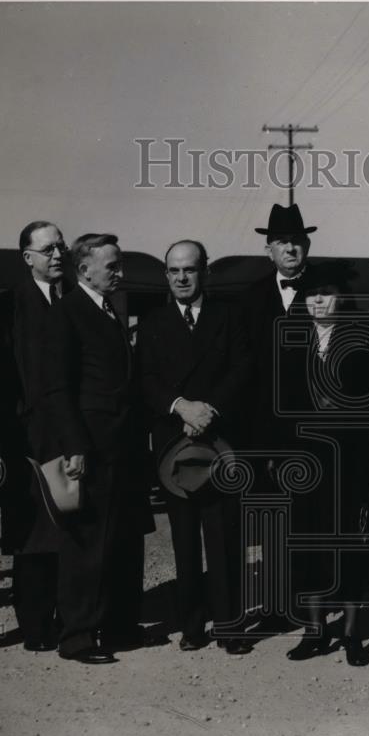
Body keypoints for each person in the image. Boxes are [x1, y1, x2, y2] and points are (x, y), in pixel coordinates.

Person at [43, 233, 163, 664]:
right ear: (85, 269)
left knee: (125, 540)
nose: (120, 273)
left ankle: (120, 626)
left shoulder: (110, 310)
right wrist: (74, 445)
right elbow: (58, 387)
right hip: (92, 446)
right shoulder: (68, 312)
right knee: (87, 545)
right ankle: (77, 636)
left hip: (124, 447)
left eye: (120, 264)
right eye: (112, 266)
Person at [278, 260, 369, 666]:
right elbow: (277, 406)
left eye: (328, 292)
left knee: (350, 546)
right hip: (306, 464)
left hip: (351, 462)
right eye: (313, 293)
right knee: (309, 546)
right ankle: (315, 632)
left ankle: (352, 635)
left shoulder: (365, 339)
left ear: (341, 297)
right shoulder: (290, 341)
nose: (319, 300)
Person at [138, 240, 253, 656]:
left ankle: (230, 625)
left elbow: (243, 368)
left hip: (219, 441)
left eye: (189, 269)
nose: (182, 278)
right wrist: (181, 407)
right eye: (173, 270)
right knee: (184, 540)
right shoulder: (152, 321)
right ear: (166, 275)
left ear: (206, 272)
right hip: (173, 443)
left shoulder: (230, 316)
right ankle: (191, 625)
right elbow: (146, 378)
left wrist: (210, 410)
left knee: (224, 537)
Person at [0, 221, 71, 652]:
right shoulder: (9, 306)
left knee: (68, 530)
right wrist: (9, 440)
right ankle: (36, 626)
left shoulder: (75, 300)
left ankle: (66, 617)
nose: (58, 254)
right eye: (48, 249)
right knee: (33, 535)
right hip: (26, 440)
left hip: (71, 438)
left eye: (61, 247)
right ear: (27, 257)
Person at [239, 203, 317, 631]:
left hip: (312, 434)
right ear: (268, 250)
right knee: (268, 522)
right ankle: (271, 606)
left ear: (307, 246)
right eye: (282, 242)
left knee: (309, 521)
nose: (290, 248)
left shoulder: (327, 292)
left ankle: (308, 608)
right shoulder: (249, 299)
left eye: (297, 241)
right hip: (262, 434)